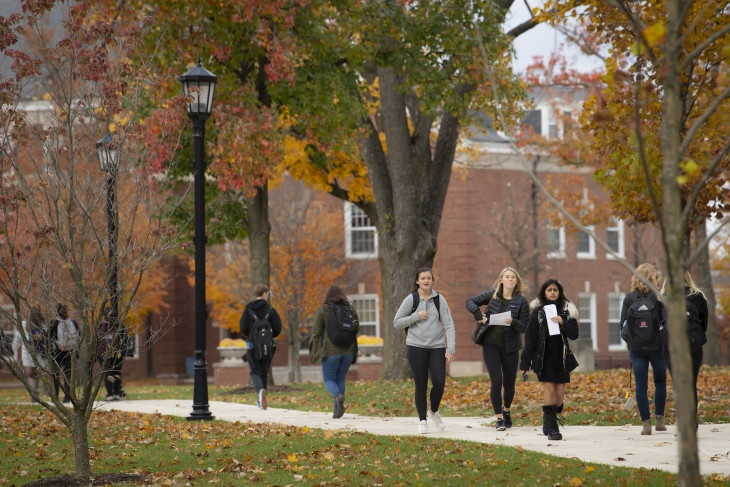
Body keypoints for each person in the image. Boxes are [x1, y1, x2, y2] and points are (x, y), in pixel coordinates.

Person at [465, 267, 530, 431]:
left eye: (513, 277)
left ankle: (506, 410)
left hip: (511, 347)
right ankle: (499, 419)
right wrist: (478, 314)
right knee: (496, 380)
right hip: (490, 345)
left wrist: (513, 322)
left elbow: (525, 326)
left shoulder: (521, 301)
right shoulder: (492, 295)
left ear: (516, 281)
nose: (510, 279)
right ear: (501, 279)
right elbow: (470, 302)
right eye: (507, 277)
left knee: (509, 384)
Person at [394, 267, 456, 434]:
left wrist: (450, 348)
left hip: (436, 346)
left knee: (439, 382)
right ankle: (422, 420)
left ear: (432, 281)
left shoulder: (439, 299)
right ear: (417, 281)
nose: (426, 281)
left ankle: (433, 411)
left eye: (429, 278)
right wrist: (416, 316)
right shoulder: (411, 299)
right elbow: (397, 322)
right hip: (416, 347)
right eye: (423, 278)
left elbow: (449, 324)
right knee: (420, 385)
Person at [520, 279, 579, 440]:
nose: (552, 292)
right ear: (544, 293)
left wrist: (562, 322)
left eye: (555, 290)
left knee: (559, 397)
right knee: (550, 391)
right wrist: (525, 364)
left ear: (559, 292)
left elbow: (574, 334)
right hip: (543, 358)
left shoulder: (567, 311)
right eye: (549, 290)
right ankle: (553, 429)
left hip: (561, 359)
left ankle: (548, 420)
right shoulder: (538, 313)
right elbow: (530, 341)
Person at [620, 263, 667, 435]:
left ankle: (646, 424)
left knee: (641, 385)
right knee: (660, 381)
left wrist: (631, 342)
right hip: (657, 347)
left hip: (636, 349)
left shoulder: (629, 299)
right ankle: (660, 421)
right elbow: (665, 322)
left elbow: (622, 326)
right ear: (653, 278)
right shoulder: (659, 297)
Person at [661, 271, 708, 425]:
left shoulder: (663, 297)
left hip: (671, 348)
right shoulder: (698, 296)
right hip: (693, 347)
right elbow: (704, 323)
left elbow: (659, 323)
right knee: (690, 384)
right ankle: (690, 423)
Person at [309, 285, 360, 418]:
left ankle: (337, 396)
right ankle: (337, 410)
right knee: (340, 379)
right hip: (348, 352)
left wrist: (314, 350)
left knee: (329, 379)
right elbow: (357, 328)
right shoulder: (350, 309)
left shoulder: (324, 309)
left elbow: (316, 332)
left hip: (331, 351)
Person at [239, 284, 282, 410]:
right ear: (264, 294)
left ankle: (260, 392)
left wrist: (252, 334)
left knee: (254, 371)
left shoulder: (248, 309)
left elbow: (243, 328)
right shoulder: (270, 309)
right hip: (268, 346)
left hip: (252, 345)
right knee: (264, 371)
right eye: (267, 293)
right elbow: (278, 328)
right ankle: (261, 398)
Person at [12, 306, 47, 395]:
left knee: (30, 375)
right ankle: (46, 390)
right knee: (39, 374)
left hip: (27, 353)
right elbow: (47, 339)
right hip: (40, 353)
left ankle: (34, 391)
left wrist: (14, 348)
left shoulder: (24, 324)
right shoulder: (43, 325)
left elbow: (17, 339)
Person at [50, 303, 79, 404]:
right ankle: (67, 397)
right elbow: (78, 336)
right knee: (68, 375)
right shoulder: (73, 323)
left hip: (57, 352)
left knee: (56, 375)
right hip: (70, 351)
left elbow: (49, 339)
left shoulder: (54, 323)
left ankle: (56, 397)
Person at [97, 311, 126, 401]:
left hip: (103, 354)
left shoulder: (101, 326)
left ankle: (110, 394)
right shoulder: (119, 326)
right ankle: (117, 394)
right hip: (117, 354)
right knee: (116, 372)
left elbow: (97, 340)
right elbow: (124, 341)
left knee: (107, 373)